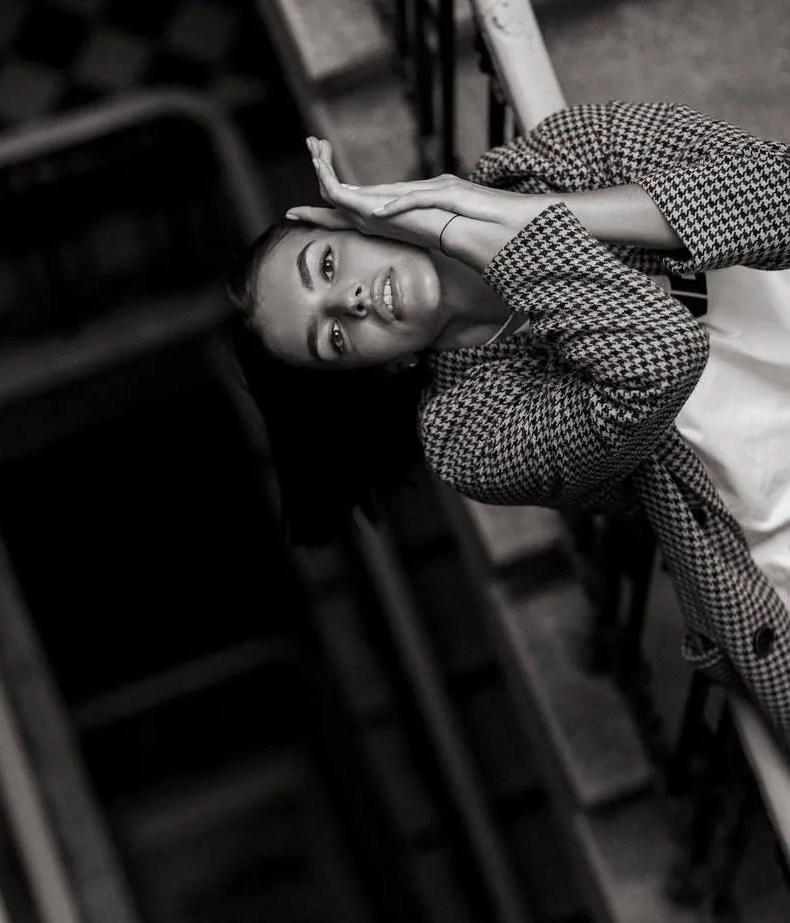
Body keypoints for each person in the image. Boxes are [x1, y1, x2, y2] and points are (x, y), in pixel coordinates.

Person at [226, 100, 790, 744]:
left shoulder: (566, 152)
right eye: (331, 336)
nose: (348, 300)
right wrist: (464, 234)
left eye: (326, 265)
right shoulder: (469, 436)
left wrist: (508, 211)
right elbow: (658, 359)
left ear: (359, 218)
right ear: (384, 368)